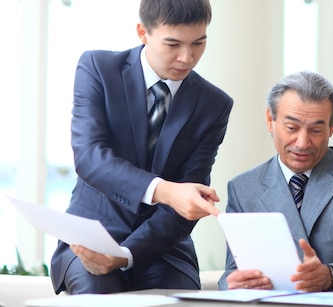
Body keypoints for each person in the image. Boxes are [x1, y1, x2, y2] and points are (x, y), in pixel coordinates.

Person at [50, 0, 233, 294]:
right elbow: (90, 158)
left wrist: (127, 254)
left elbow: (185, 204)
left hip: (163, 248)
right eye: (173, 44)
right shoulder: (98, 68)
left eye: (199, 43)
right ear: (142, 32)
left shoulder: (215, 104)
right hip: (92, 237)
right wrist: (166, 191)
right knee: (98, 298)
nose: (187, 57)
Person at [217, 71, 333, 293]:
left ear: (331, 128)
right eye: (292, 128)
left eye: (316, 130)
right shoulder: (243, 188)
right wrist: (233, 283)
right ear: (270, 121)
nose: (302, 143)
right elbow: (233, 270)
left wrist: (329, 276)